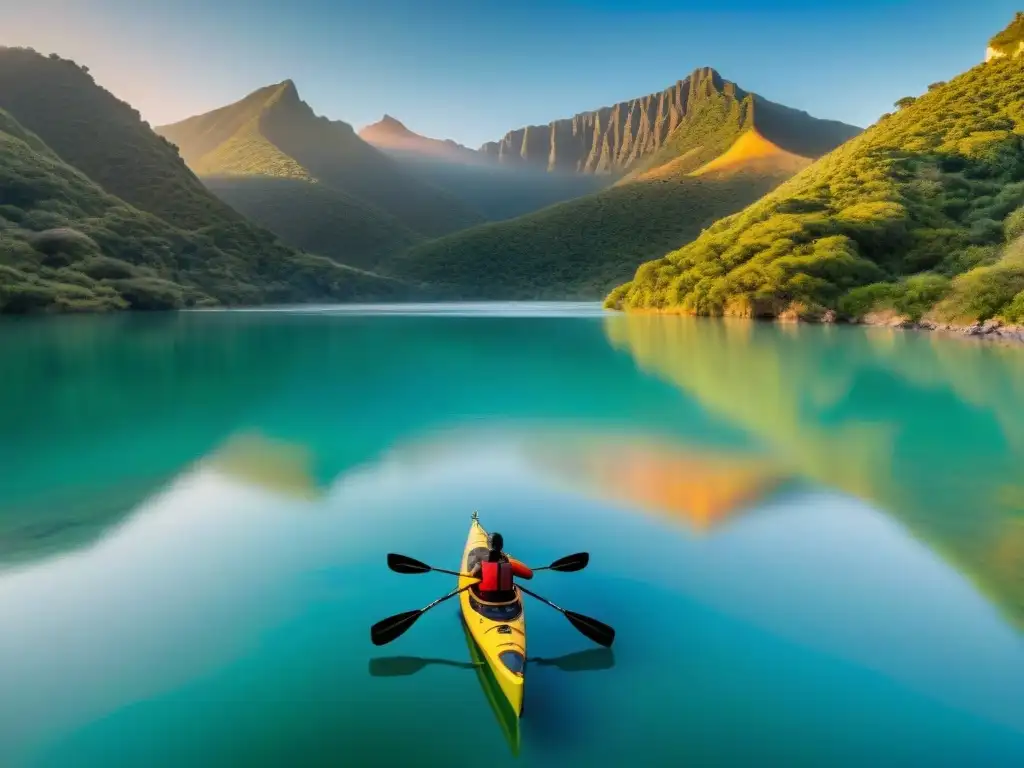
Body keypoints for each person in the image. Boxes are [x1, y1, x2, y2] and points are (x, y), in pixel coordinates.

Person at [469, 532, 533, 601]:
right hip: (507, 599)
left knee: (475, 585)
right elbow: (529, 575)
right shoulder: (510, 563)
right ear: (501, 546)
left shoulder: (481, 563)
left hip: (487, 599)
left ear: (487, 545)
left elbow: (472, 574)